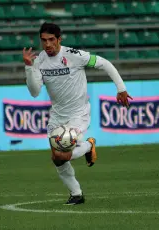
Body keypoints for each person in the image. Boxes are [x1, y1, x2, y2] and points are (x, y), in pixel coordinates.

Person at [23, 22, 132, 205]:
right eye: (44, 40)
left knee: (63, 154)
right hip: (57, 115)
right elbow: (34, 92)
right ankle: (76, 194)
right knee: (57, 159)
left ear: (59, 39)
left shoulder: (74, 55)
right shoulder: (39, 61)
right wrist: (28, 67)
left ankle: (89, 145)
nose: (48, 44)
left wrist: (121, 88)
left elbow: (104, 63)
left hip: (78, 114)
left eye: (51, 40)